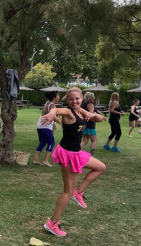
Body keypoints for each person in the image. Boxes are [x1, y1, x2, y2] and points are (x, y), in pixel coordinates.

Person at [41, 87, 106, 237]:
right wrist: (51, 114)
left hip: (76, 152)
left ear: (82, 98)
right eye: (71, 99)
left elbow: (94, 117)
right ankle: (52, 224)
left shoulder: (80, 111)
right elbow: (56, 111)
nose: (74, 101)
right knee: (67, 191)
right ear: (67, 101)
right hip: (68, 155)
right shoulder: (69, 112)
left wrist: (98, 116)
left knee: (100, 167)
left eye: (77, 98)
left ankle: (79, 192)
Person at [33, 91, 61, 166]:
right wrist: (61, 122)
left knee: (42, 142)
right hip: (45, 126)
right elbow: (53, 117)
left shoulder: (47, 103)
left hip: (40, 125)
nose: (59, 97)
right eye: (58, 95)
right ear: (54, 97)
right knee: (51, 143)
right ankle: (46, 160)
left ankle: (35, 159)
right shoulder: (52, 105)